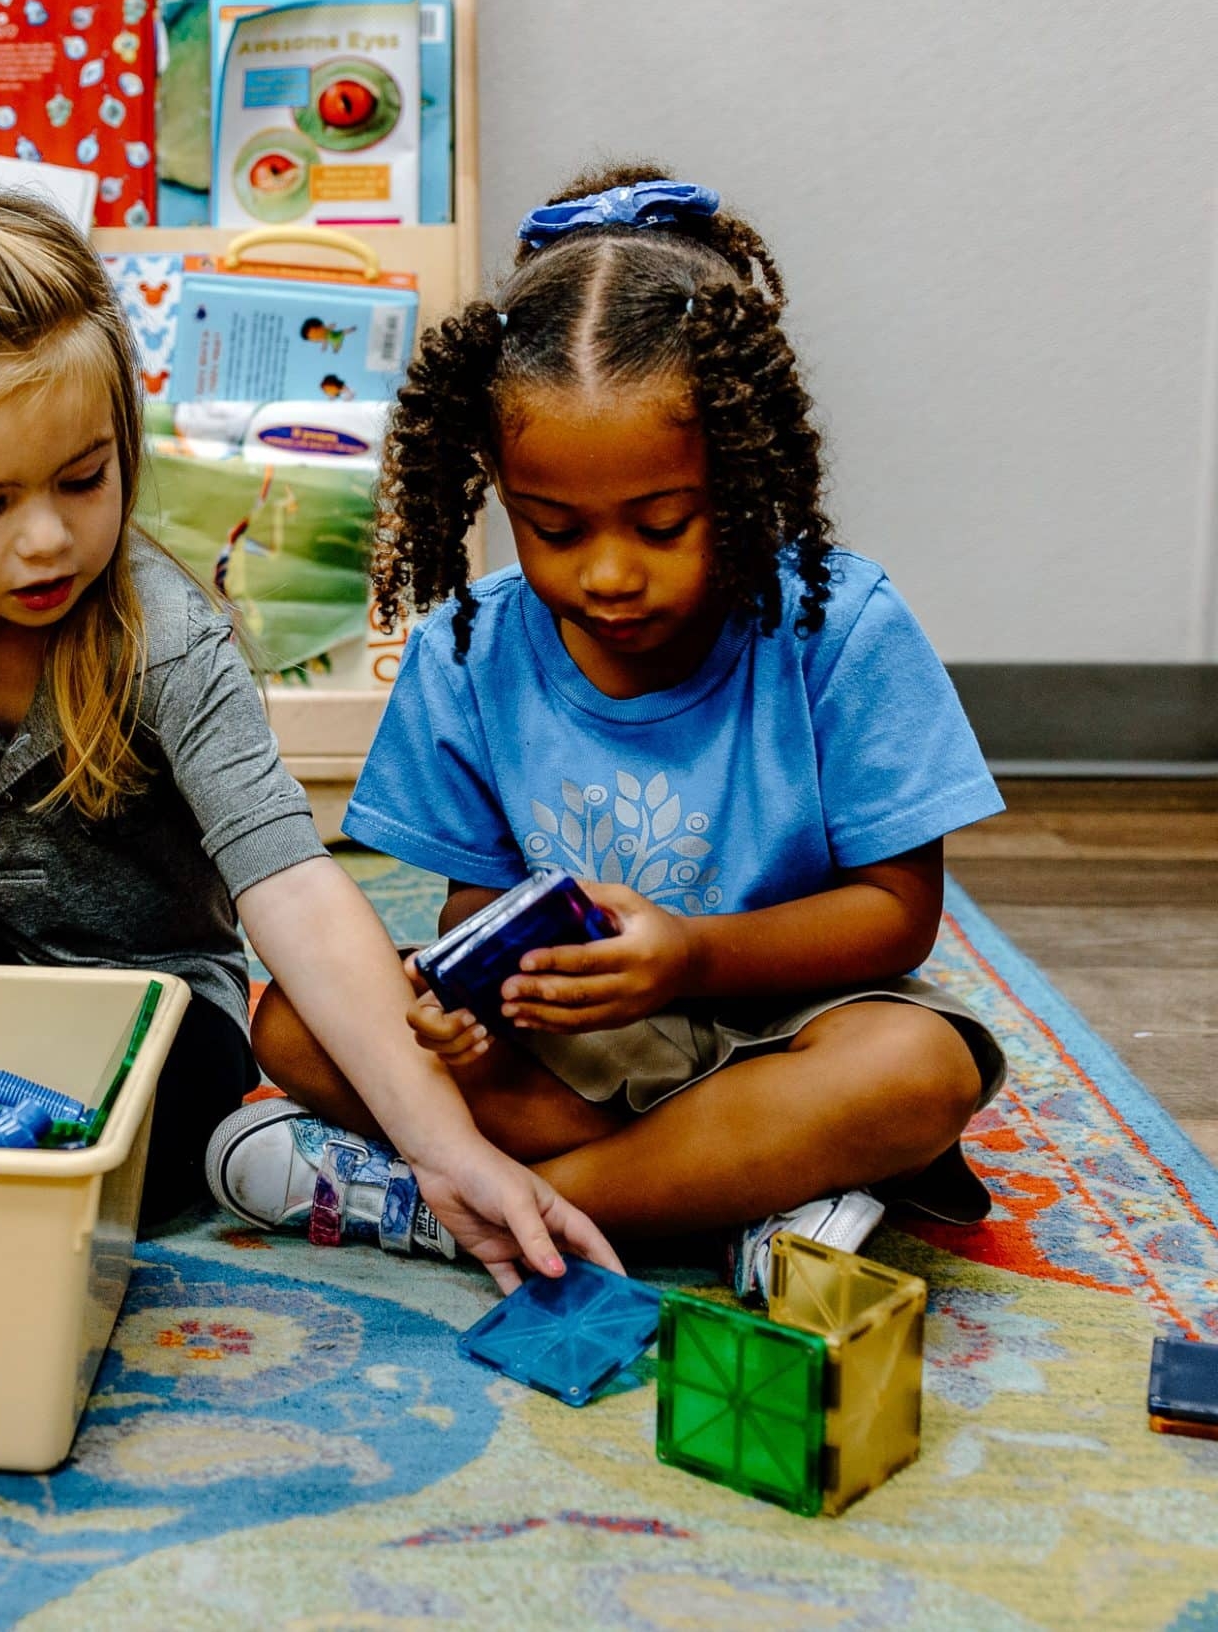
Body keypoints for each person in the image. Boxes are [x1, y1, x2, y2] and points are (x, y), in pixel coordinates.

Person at [0, 174, 611, 1286]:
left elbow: (291, 891)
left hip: (158, 1002)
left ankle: (250, 1154)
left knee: (144, 1126)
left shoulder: (166, 640)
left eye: (84, 480)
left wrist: (445, 1149)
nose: (45, 543)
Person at [212, 165, 1007, 1298]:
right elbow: (471, 913)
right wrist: (470, 1013)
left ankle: (495, 1208)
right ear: (496, 489)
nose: (610, 573)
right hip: (583, 1058)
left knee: (919, 1074)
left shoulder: (841, 625)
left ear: (738, 474)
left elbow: (897, 916)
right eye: (551, 527)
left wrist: (689, 954)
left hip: (795, 1025)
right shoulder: (470, 652)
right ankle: (736, 1194)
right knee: (295, 1024)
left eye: (662, 522)